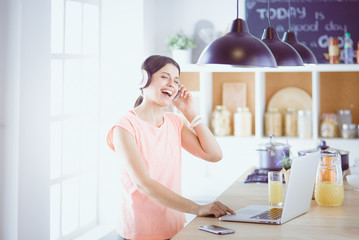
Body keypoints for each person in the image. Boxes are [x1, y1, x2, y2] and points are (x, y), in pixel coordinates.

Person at [107, 55, 234, 240]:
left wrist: (189, 112)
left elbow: (214, 154)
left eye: (176, 80)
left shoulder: (174, 122)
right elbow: (144, 184)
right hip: (139, 233)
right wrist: (198, 208)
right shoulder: (124, 127)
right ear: (144, 79)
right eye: (165, 77)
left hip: (174, 229)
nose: (172, 84)